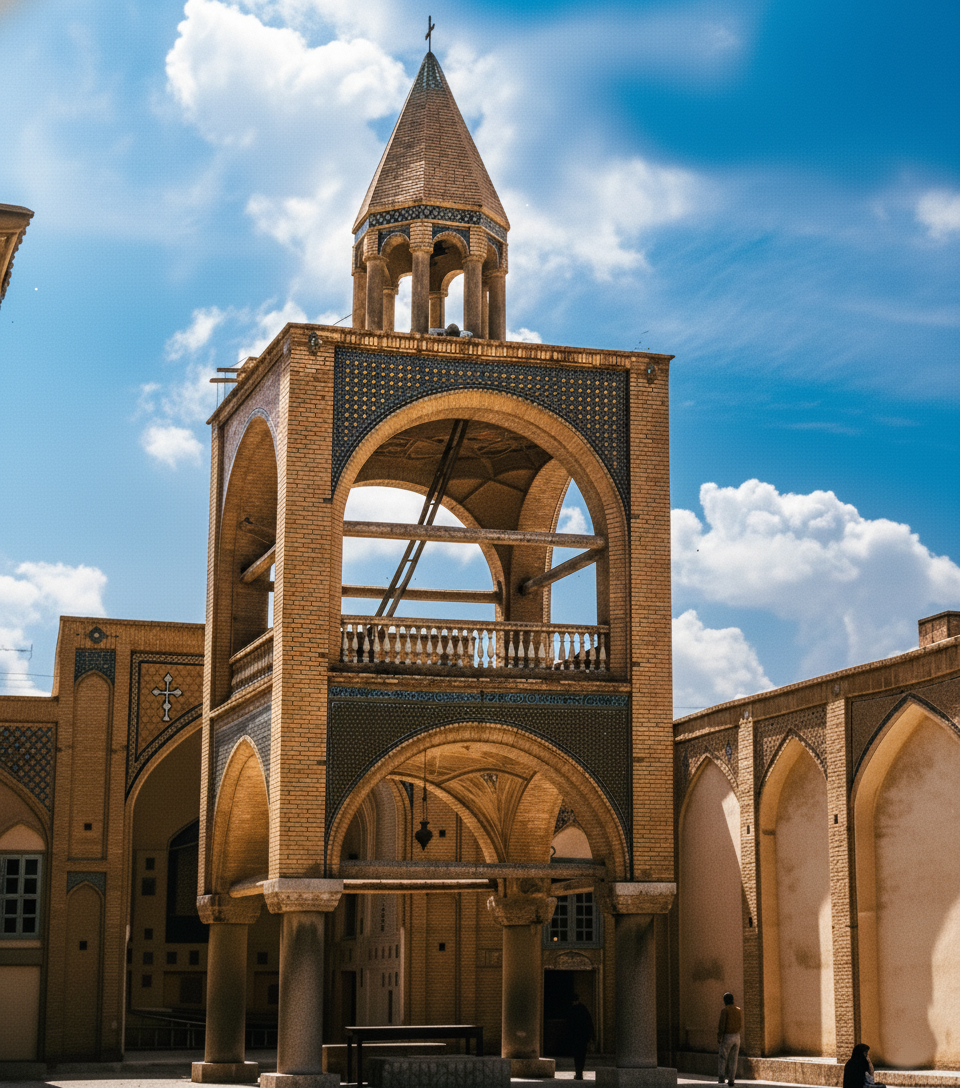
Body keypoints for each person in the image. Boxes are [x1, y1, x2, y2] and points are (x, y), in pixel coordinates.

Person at [567, 992, 595, 1081]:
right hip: (583, 1037)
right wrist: (591, 1036)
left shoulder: (572, 1010)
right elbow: (589, 1023)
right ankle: (579, 1072)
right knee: (581, 1056)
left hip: (577, 1037)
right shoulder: (583, 1009)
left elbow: (569, 1025)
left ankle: (578, 1072)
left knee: (577, 1056)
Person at [717, 991, 742, 1087]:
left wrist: (719, 1037)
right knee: (734, 1059)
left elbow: (722, 1025)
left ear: (725, 1001)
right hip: (737, 1036)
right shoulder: (738, 1010)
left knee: (723, 1057)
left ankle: (721, 1078)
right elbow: (740, 1024)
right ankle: (731, 1079)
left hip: (727, 1036)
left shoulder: (725, 1010)